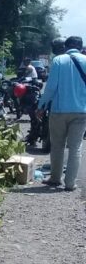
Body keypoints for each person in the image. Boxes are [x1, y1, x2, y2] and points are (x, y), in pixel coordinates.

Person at [37, 36, 86, 191]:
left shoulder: (58, 60)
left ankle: (55, 178)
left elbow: (51, 87)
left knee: (57, 145)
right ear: (81, 46)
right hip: (81, 111)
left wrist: (41, 106)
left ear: (65, 46)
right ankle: (70, 184)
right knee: (75, 147)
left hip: (58, 111)